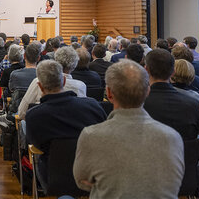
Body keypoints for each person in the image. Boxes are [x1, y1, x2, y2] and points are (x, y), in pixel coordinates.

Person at [73, 60, 184, 198]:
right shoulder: (172, 137)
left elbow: (82, 181)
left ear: (109, 93)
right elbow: (174, 182)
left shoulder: (91, 135)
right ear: (148, 90)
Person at [26, 60, 106, 190]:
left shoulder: (34, 116)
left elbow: (37, 145)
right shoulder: (93, 106)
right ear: (63, 81)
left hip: (53, 177)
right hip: (93, 175)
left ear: (40, 86)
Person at [143, 48, 199, 140]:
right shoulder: (194, 104)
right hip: (184, 153)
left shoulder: (138, 104)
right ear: (173, 72)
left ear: (146, 70)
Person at [18, 46, 87, 120]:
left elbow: (22, 112)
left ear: (56, 61)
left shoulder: (39, 81)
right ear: (74, 65)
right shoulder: (81, 86)